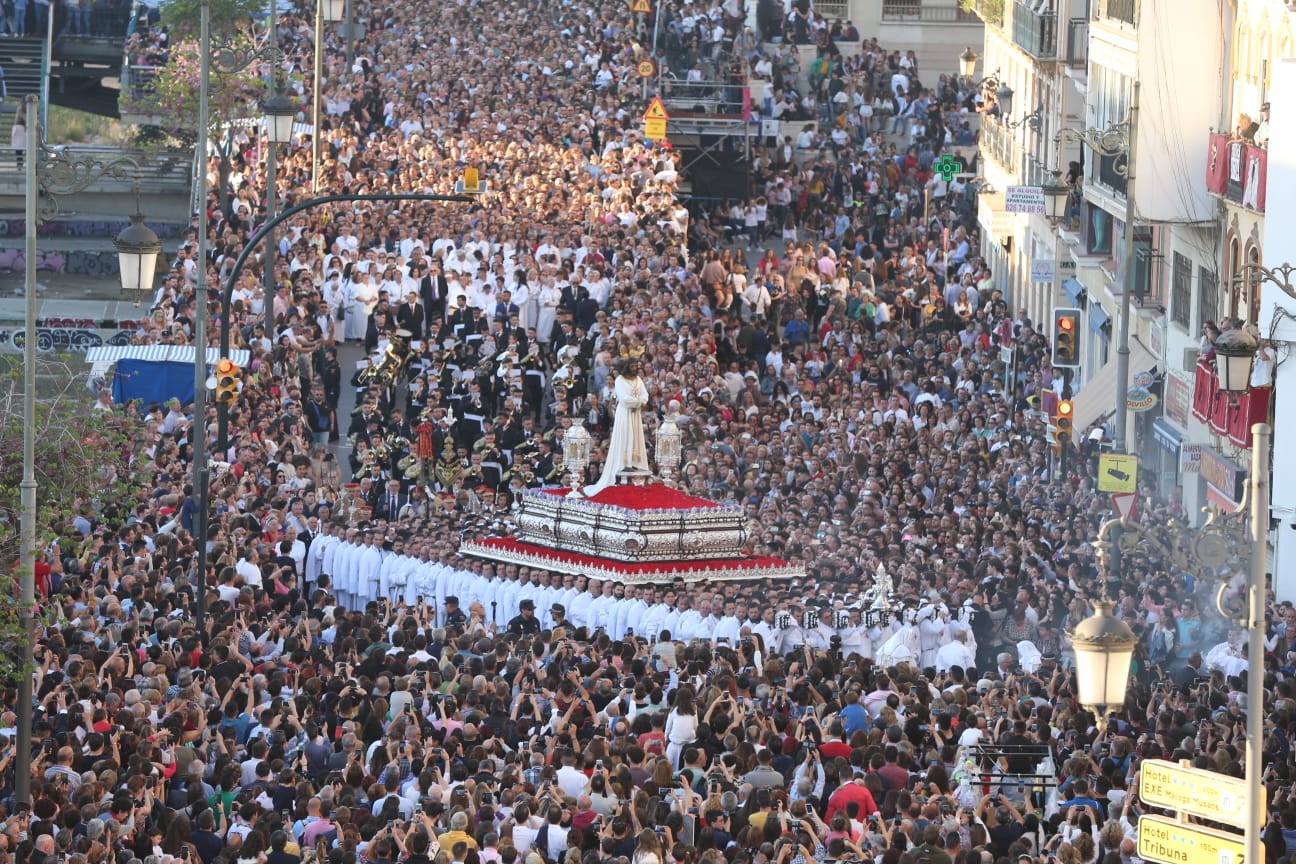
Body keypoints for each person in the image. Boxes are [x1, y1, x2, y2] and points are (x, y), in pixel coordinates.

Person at [584, 355, 650, 496]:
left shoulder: (638, 379)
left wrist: (640, 401)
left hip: (635, 414)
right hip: (625, 413)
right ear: (627, 366)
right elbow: (624, 399)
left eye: (636, 366)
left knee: (636, 437)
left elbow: (645, 395)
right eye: (632, 366)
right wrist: (639, 402)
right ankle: (624, 463)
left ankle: (635, 462)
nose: (634, 368)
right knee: (626, 436)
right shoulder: (620, 380)